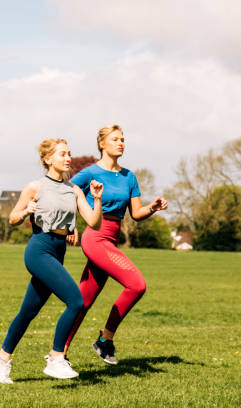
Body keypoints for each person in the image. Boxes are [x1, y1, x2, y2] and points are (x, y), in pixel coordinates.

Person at [0, 138, 104, 384]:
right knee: (75, 300)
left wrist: (97, 198)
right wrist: (26, 211)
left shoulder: (74, 190)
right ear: (48, 159)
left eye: (69, 153)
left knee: (28, 311)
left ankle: (1, 358)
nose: (68, 158)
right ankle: (56, 357)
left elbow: (94, 222)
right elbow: (13, 218)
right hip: (39, 249)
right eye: (62, 154)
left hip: (58, 250)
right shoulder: (35, 186)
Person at [64, 124, 168, 364]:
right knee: (137, 284)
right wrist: (71, 225)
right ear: (102, 144)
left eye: (123, 139)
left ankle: (59, 353)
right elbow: (65, 194)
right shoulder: (90, 173)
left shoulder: (128, 176)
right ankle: (105, 340)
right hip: (96, 236)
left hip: (112, 238)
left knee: (83, 300)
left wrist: (152, 207)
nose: (121, 143)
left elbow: (137, 213)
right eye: (115, 139)